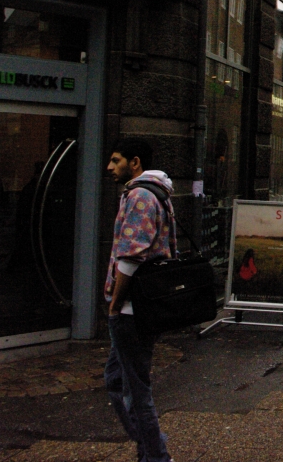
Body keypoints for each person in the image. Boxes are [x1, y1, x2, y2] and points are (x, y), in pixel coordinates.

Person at [103, 138, 176, 462]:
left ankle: (157, 454)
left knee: (136, 390)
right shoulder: (151, 193)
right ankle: (150, 448)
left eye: (116, 160)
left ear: (135, 162)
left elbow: (131, 256)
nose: (109, 167)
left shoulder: (141, 196)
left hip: (132, 310)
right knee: (116, 379)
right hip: (138, 308)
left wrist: (115, 304)